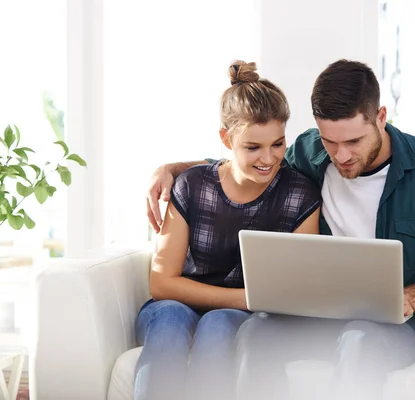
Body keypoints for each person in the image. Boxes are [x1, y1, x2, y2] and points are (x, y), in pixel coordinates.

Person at [145, 59, 415, 399]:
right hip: (317, 316)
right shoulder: (309, 152)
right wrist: (173, 169)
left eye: (354, 141)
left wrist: (409, 297)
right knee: (255, 333)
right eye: (330, 141)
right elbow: (250, 159)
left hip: (397, 326)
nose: (341, 156)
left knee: (359, 343)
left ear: (381, 118)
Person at [134, 60, 321, 400]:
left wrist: (242, 304)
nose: (269, 158)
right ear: (226, 138)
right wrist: (243, 298)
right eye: (253, 147)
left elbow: (294, 290)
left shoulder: (300, 195)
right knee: (170, 325)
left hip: (241, 314)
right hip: (178, 303)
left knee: (219, 325)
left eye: (278, 144)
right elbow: (162, 283)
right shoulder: (192, 186)